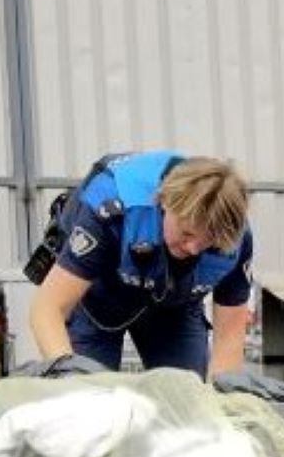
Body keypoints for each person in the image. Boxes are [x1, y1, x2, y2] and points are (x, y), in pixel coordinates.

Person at [29, 151, 256, 378]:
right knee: (88, 394)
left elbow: (229, 339)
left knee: (187, 395)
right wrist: (70, 381)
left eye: (208, 242)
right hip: (98, 296)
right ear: (165, 202)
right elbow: (47, 309)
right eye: (187, 234)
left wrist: (220, 403)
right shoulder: (110, 207)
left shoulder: (233, 239)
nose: (193, 249)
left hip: (174, 304)